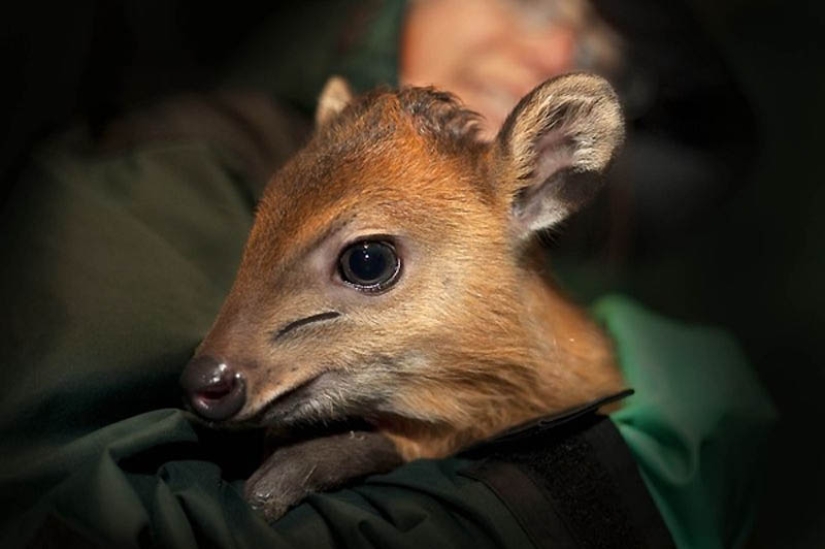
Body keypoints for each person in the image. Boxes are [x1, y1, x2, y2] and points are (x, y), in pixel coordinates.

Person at [0, 1, 773, 548]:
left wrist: (404, 447)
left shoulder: (493, 239)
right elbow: (77, 513)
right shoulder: (161, 168)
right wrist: (595, 493)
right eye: (531, 1)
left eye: (603, 53)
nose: (551, 52)